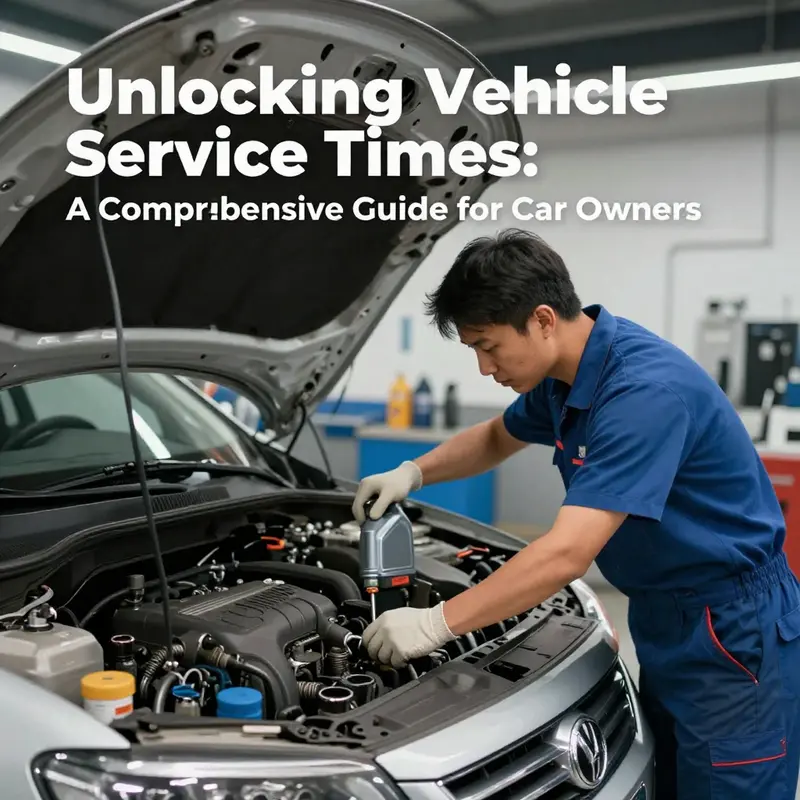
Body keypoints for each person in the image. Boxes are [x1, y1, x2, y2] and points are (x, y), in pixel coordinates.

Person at [351, 229, 800, 800]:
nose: (485, 369)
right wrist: (413, 472)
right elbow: (496, 436)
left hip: (733, 628)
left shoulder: (641, 393)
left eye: (489, 346)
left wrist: (435, 624)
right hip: (666, 615)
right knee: (672, 781)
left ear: (542, 320)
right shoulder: (565, 378)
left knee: (728, 785)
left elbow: (566, 554)